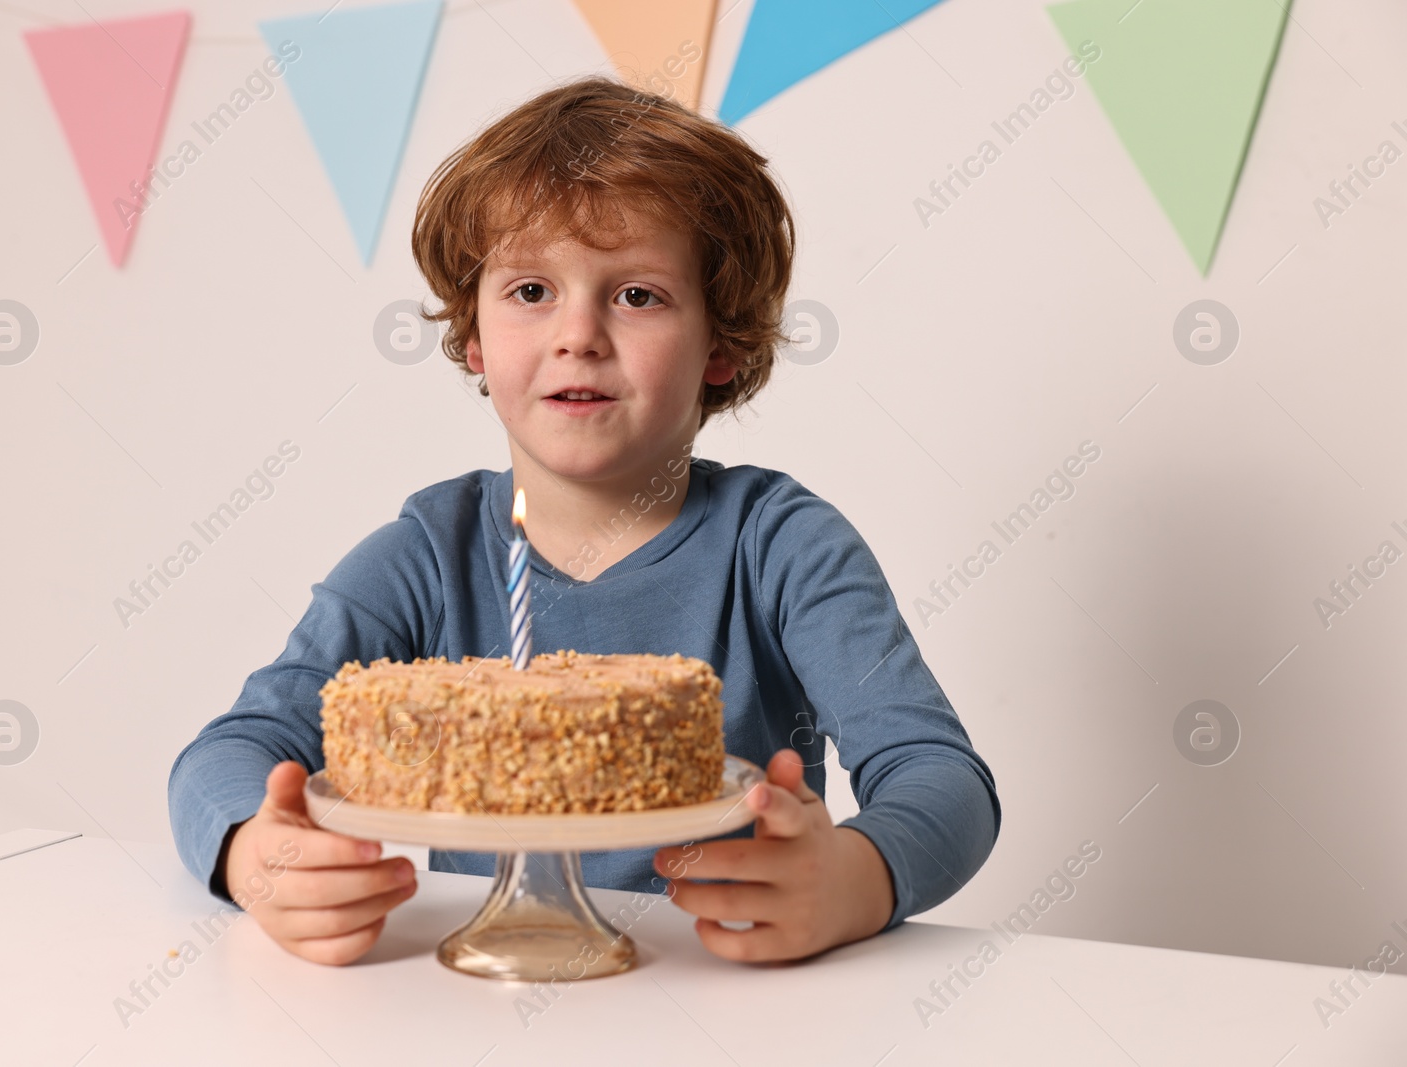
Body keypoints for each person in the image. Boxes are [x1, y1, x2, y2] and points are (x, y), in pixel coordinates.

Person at [169, 75, 1000, 967]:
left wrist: (858, 876)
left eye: (638, 295)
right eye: (531, 290)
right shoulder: (428, 554)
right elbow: (230, 751)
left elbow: (942, 777)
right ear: (474, 335)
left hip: (732, 998)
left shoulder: (782, 544)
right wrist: (257, 851)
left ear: (722, 343)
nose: (579, 334)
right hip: (485, 985)